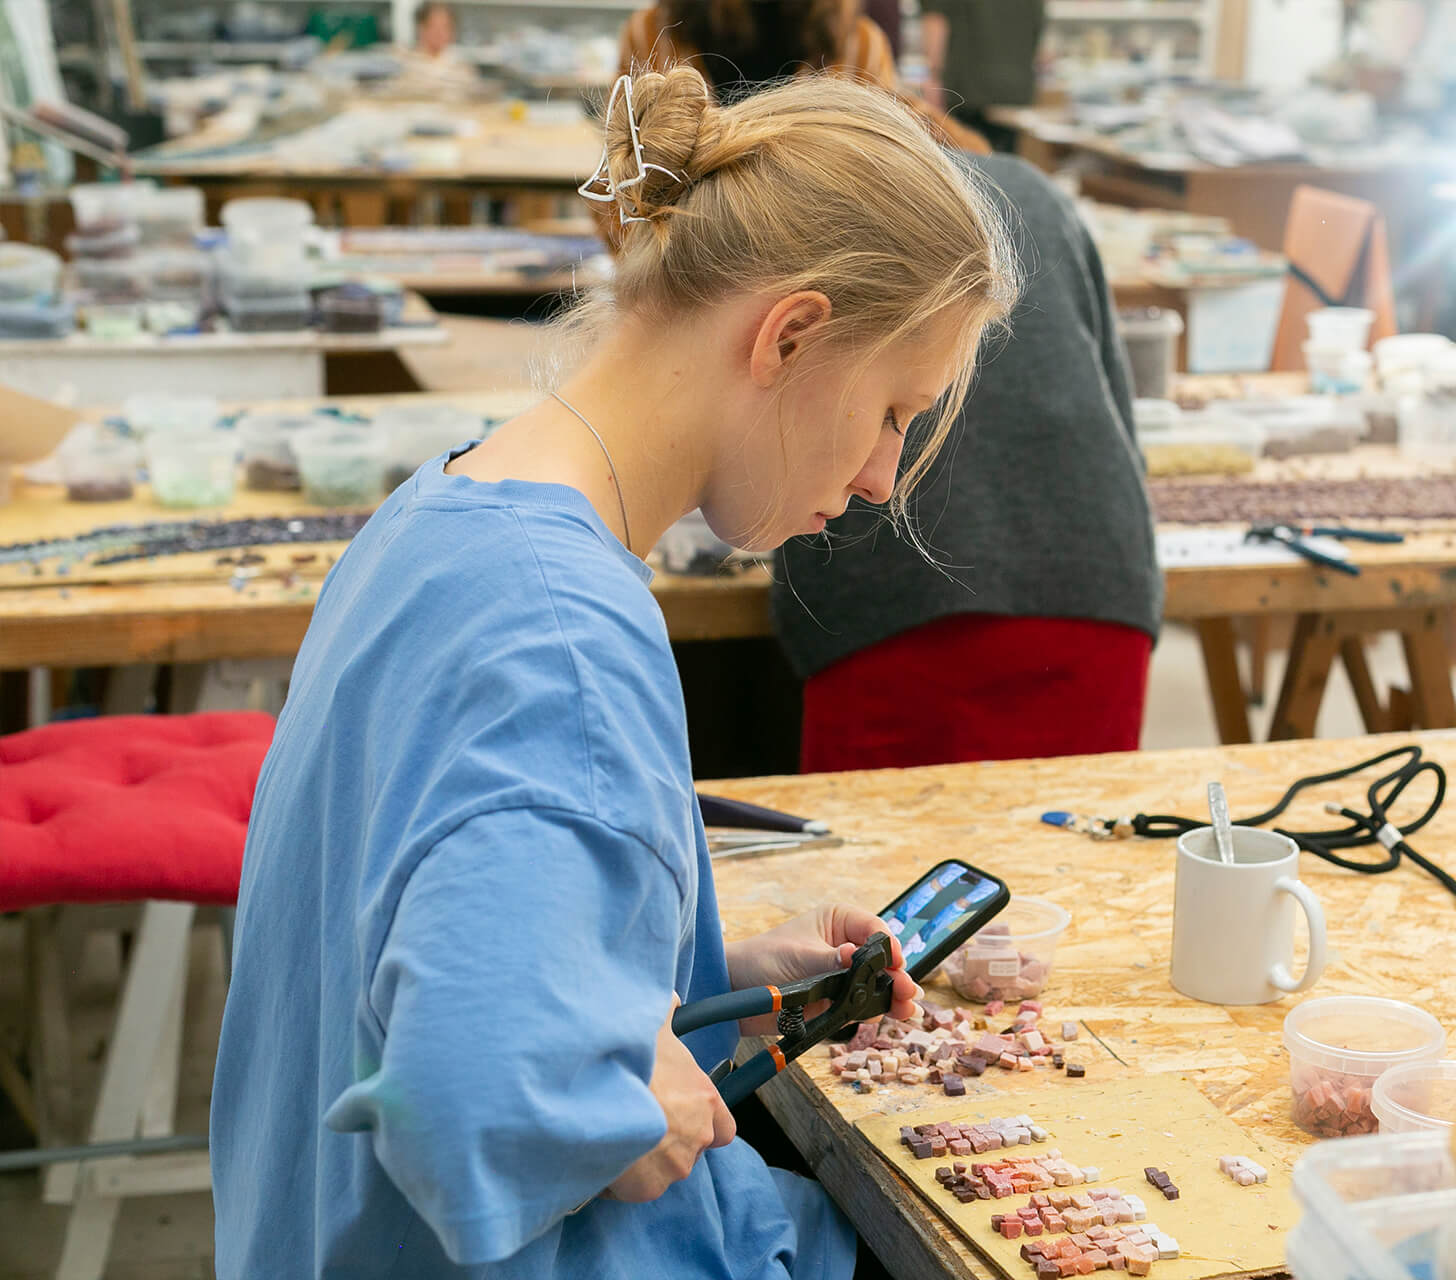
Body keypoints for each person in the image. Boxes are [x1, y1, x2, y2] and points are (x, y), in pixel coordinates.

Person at [210, 66, 1015, 1280]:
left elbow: (429, 933)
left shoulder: (441, 511)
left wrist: (702, 976)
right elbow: (464, 1094)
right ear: (790, 334)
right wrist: (619, 1105)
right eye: (895, 410)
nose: (878, 478)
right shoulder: (565, 637)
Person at [772, 153, 1162, 772]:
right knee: (1079, 828)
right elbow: (1119, 410)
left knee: (879, 836)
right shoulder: (1031, 188)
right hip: (1096, 579)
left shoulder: (817, 186)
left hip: (891, 600)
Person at [619, 0, 985, 149]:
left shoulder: (855, 43)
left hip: (816, 273)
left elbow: (895, 129)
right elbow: (620, 174)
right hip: (680, 270)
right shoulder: (654, 34)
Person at [920, 0, 1047, 152]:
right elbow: (1038, 28)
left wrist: (934, 77)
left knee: (963, 159)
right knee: (1004, 159)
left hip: (968, 92)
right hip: (1015, 89)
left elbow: (936, 21)